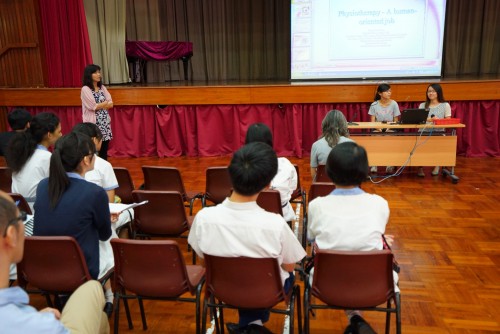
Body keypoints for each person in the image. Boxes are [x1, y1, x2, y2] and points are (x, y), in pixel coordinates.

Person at [188, 142, 306, 334]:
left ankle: (249, 326)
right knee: (280, 274)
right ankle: (253, 326)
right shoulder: (275, 224)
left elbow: (203, 263)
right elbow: (289, 267)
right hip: (268, 291)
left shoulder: (203, 217)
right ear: (268, 184)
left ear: (231, 176)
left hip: (222, 287)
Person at [307, 142, 398, 334]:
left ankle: (354, 317)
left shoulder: (317, 205)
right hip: (374, 285)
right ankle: (356, 317)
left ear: (329, 172)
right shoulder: (379, 204)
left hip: (326, 284)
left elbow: (310, 238)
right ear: (365, 171)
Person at [0, 191, 109, 334]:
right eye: (21, 216)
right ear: (11, 235)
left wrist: (32, 317)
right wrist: (37, 322)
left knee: (99, 318)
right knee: (94, 289)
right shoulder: (41, 327)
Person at [33, 132, 115, 317]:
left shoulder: (43, 186)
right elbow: (104, 234)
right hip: (81, 269)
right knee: (110, 244)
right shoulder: (94, 192)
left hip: (43, 267)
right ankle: (108, 298)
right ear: (86, 159)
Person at [72, 122, 133, 234]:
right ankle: (122, 248)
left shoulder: (64, 161)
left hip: (72, 217)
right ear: (94, 140)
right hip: (95, 220)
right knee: (129, 212)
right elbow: (109, 204)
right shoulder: (103, 165)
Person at [5, 112, 61, 212]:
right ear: (49, 135)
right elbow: (58, 187)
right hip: (36, 210)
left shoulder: (22, 151)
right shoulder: (46, 157)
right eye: (59, 132)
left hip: (18, 208)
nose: (61, 135)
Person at [245, 123, 297, 222]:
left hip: (250, 219)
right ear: (270, 142)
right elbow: (292, 188)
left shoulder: (240, 170)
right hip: (281, 218)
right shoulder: (285, 164)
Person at [417, 83, 452, 177]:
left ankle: (437, 165)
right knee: (419, 145)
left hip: (439, 132)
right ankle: (420, 167)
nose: (430, 93)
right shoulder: (422, 105)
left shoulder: (445, 105)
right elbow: (419, 119)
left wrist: (438, 120)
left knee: (440, 145)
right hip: (423, 132)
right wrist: (429, 120)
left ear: (438, 92)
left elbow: (448, 121)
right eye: (429, 91)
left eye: (433, 91)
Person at [81, 64, 113, 161]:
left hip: (105, 124)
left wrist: (101, 104)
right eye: (95, 72)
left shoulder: (102, 88)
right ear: (89, 75)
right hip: (93, 125)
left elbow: (111, 103)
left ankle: (103, 170)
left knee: (104, 151)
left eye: (99, 72)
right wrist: (104, 103)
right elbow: (93, 106)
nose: (98, 74)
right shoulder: (85, 89)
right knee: (93, 151)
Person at [310, 110, 353, 180]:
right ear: (343, 125)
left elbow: (313, 172)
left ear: (324, 125)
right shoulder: (352, 144)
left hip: (324, 188)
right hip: (346, 188)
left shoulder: (316, 145)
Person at [368, 84, 401, 174]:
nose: (389, 93)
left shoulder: (394, 103)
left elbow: (396, 120)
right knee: (375, 138)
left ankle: (389, 163)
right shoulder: (374, 104)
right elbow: (372, 121)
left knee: (389, 138)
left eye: (390, 91)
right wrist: (378, 128)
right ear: (380, 93)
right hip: (377, 128)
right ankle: (374, 163)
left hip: (390, 128)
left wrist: (388, 127)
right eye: (387, 91)